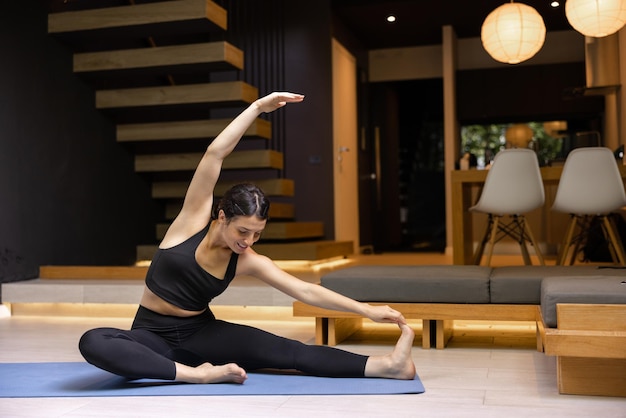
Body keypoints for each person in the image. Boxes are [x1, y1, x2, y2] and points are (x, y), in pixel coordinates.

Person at [79, 92, 416, 384]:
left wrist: (367, 310)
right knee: (94, 341)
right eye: (243, 231)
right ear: (221, 215)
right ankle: (197, 375)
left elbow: (305, 290)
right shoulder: (191, 221)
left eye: (257, 234)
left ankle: (388, 366)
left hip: (203, 336)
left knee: (290, 352)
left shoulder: (248, 260)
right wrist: (257, 108)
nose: (248, 241)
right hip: (149, 336)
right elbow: (215, 154)